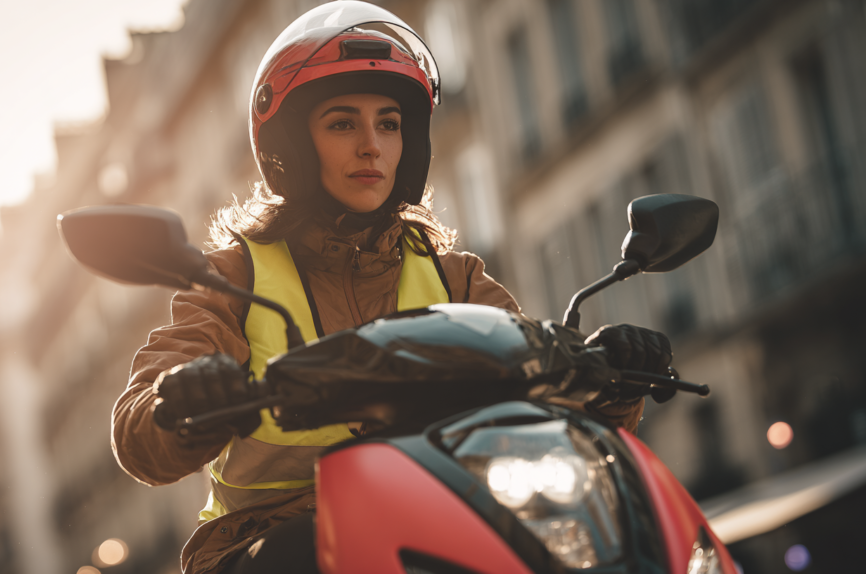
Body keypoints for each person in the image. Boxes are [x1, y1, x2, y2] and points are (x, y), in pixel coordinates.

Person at [111, 3, 671, 573]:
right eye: (342, 123)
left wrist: (613, 379)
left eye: (389, 123)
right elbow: (139, 431)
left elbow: (543, 402)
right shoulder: (234, 279)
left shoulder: (456, 278)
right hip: (278, 534)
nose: (371, 145)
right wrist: (178, 401)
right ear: (294, 146)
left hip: (453, 515)